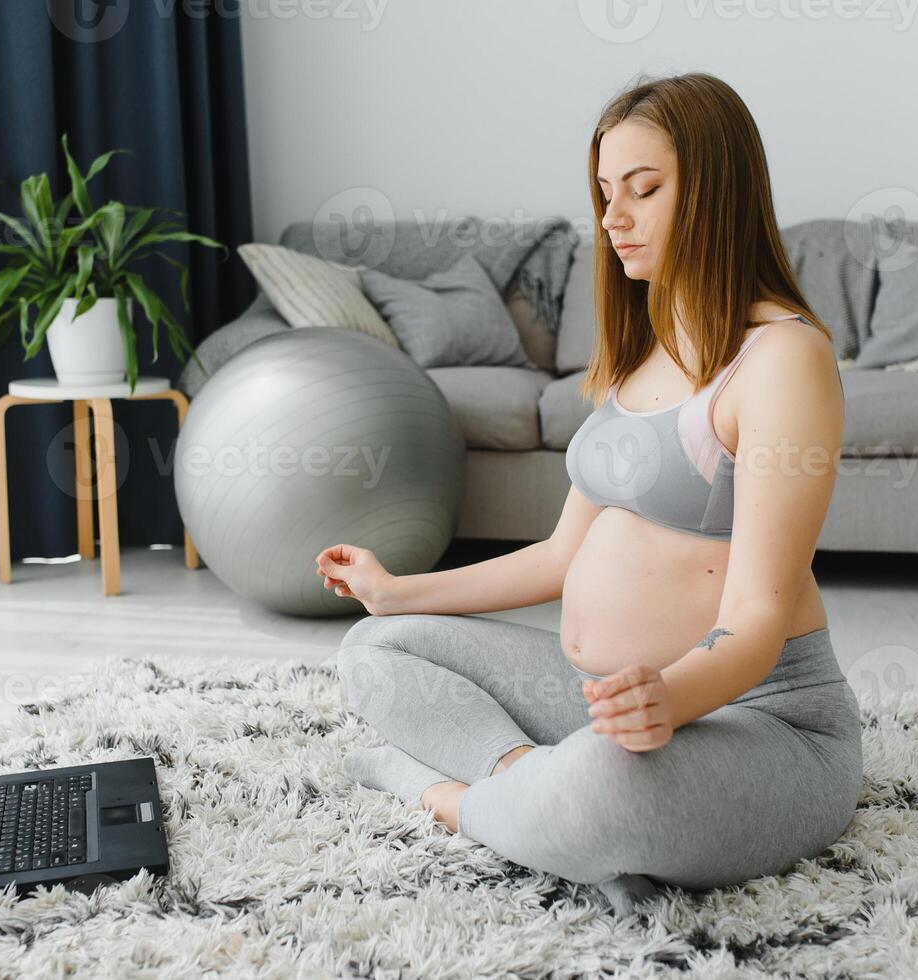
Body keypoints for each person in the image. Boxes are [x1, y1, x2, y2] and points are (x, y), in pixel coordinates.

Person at [315, 72, 861, 916]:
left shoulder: (782, 358)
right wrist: (396, 592)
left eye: (643, 190)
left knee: (611, 784)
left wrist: (669, 699)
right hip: (604, 701)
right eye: (606, 193)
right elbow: (560, 556)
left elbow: (755, 619)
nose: (612, 219)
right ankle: (528, 788)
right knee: (376, 650)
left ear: (716, 195)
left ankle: (446, 797)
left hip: (762, 718)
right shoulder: (644, 354)